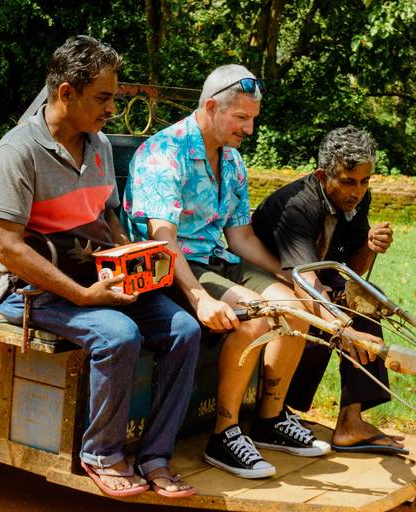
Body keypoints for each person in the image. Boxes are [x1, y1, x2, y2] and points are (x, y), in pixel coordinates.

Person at [0, 35, 200, 498]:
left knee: (185, 329)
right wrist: (82, 296)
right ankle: (101, 453)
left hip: (99, 280)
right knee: (117, 333)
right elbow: (4, 246)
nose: (111, 109)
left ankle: (156, 454)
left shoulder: (99, 144)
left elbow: (109, 216)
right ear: (66, 93)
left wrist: (129, 257)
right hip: (34, 291)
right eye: (102, 98)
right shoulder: (16, 151)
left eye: (113, 98)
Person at [122, 64, 330, 479]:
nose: (249, 129)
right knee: (253, 318)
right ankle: (225, 435)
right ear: (212, 106)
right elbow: (164, 241)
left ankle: (269, 421)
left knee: (294, 305)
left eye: (253, 119)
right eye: (241, 118)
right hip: (172, 265)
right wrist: (200, 298)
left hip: (220, 259)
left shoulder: (232, 161)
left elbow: (241, 238)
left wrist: (294, 276)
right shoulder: (165, 153)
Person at [251, 126, 407, 455]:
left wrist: (370, 246)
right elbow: (306, 282)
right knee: (323, 310)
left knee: (366, 296)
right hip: (270, 274)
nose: (358, 191)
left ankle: (351, 422)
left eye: (365, 182)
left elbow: (353, 268)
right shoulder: (299, 205)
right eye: (349, 181)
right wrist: (344, 326)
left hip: (312, 274)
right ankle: (279, 409)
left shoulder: (356, 198)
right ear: (324, 175)